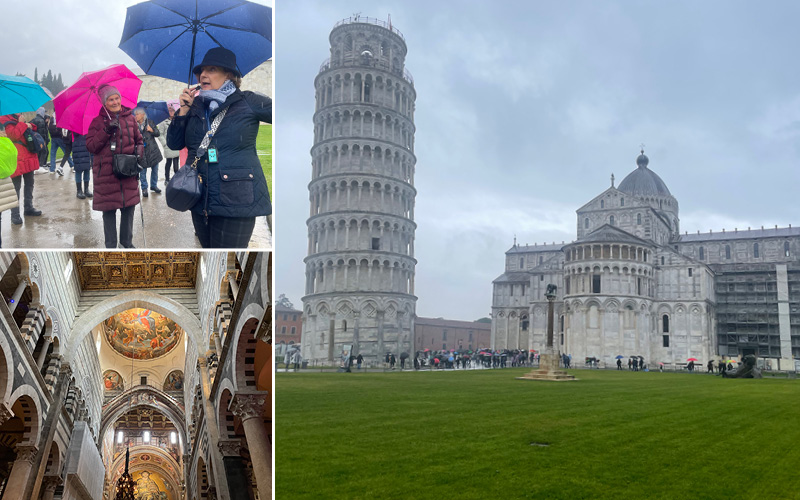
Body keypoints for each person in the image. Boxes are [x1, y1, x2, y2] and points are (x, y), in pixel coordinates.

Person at [167, 47, 272, 248]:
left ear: (229, 75)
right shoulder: (195, 105)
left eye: (212, 69)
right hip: (199, 198)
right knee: (209, 253)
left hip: (236, 199)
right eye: (201, 71)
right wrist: (183, 111)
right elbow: (174, 143)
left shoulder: (248, 101)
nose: (203, 75)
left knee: (227, 258)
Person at [86, 85, 142, 248]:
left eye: (117, 98)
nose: (115, 101)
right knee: (109, 210)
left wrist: (139, 152)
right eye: (111, 99)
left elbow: (139, 140)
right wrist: (106, 129)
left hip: (128, 169)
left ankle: (126, 242)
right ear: (105, 102)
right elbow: (91, 146)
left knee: (128, 207)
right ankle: (110, 245)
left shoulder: (130, 118)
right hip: (106, 174)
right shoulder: (97, 122)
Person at [0, 113, 43, 225]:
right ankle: (15, 215)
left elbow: (32, 127)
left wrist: (28, 124)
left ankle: (28, 208)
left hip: (28, 157)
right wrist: (21, 123)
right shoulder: (4, 119)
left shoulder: (17, 117)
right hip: (16, 159)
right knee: (15, 189)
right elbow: (13, 135)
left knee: (29, 184)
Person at [133, 107, 163, 197]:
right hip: (141, 151)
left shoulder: (150, 122)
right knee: (142, 171)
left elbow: (158, 133)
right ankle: (144, 188)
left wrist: (152, 130)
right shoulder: (134, 125)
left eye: (137, 114)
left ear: (143, 114)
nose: (136, 116)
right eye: (135, 114)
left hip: (153, 150)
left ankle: (153, 186)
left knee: (155, 170)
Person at [157, 105, 181, 184]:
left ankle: (177, 179)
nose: (171, 112)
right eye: (169, 111)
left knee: (176, 164)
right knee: (168, 163)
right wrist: (164, 144)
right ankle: (167, 179)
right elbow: (160, 134)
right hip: (168, 145)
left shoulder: (177, 120)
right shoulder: (163, 122)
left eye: (172, 110)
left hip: (176, 144)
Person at [71, 132, 92, 199]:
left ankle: (86, 189)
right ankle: (79, 190)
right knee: (78, 171)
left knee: (87, 170)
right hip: (77, 151)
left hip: (86, 151)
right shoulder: (73, 130)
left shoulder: (86, 129)